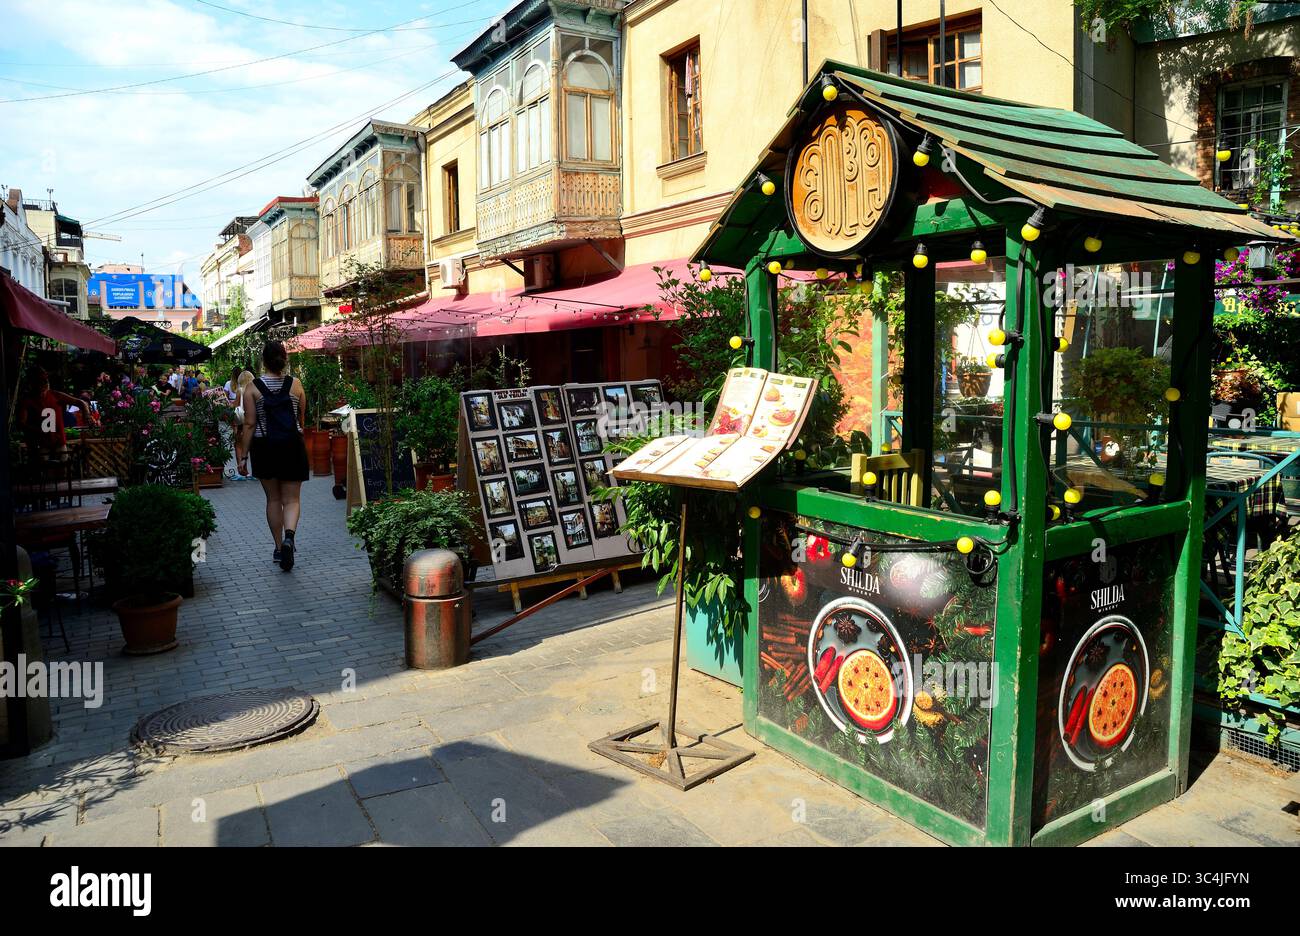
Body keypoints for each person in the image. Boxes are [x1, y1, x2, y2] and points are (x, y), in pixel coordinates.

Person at [237, 342, 309, 571]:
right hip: (292, 446)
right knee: (292, 500)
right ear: (284, 360)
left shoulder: (252, 388)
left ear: (263, 361)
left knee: (273, 500)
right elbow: (301, 420)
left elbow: (249, 424)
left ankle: (279, 548)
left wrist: (243, 457)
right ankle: (290, 537)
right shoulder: (296, 385)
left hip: (264, 447)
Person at [17, 369, 83, 455]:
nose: (45, 382)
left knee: (62, 465)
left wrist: (87, 414)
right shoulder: (27, 400)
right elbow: (21, 423)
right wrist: (37, 430)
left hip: (59, 442)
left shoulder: (55, 395)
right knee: (45, 465)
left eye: (46, 380)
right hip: (40, 443)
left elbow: (80, 402)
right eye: (41, 380)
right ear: (33, 383)